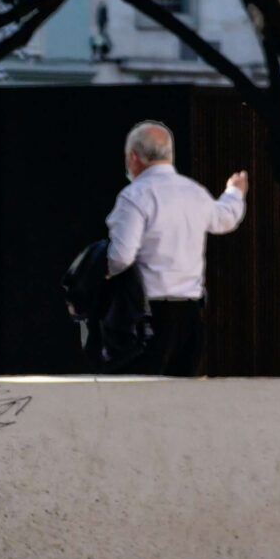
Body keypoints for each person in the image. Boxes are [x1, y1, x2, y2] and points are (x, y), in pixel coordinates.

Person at [103, 121, 247, 378]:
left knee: (141, 393)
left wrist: (101, 272)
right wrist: (234, 192)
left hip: (146, 315)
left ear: (133, 157)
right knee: (181, 398)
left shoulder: (135, 196)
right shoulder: (194, 192)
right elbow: (224, 219)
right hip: (190, 316)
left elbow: (121, 257)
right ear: (169, 156)